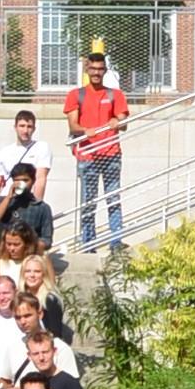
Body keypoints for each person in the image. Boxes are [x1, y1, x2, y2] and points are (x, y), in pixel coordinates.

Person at [63, 47, 128, 249]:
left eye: (100, 69)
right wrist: (85, 130)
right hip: (88, 155)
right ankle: (88, 243)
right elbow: (73, 125)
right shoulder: (76, 95)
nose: (96, 73)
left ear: (105, 70)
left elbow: (124, 121)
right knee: (88, 202)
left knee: (113, 198)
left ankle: (116, 241)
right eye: (92, 69)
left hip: (111, 154)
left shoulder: (115, 94)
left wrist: (117, 120)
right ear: (87, 70)